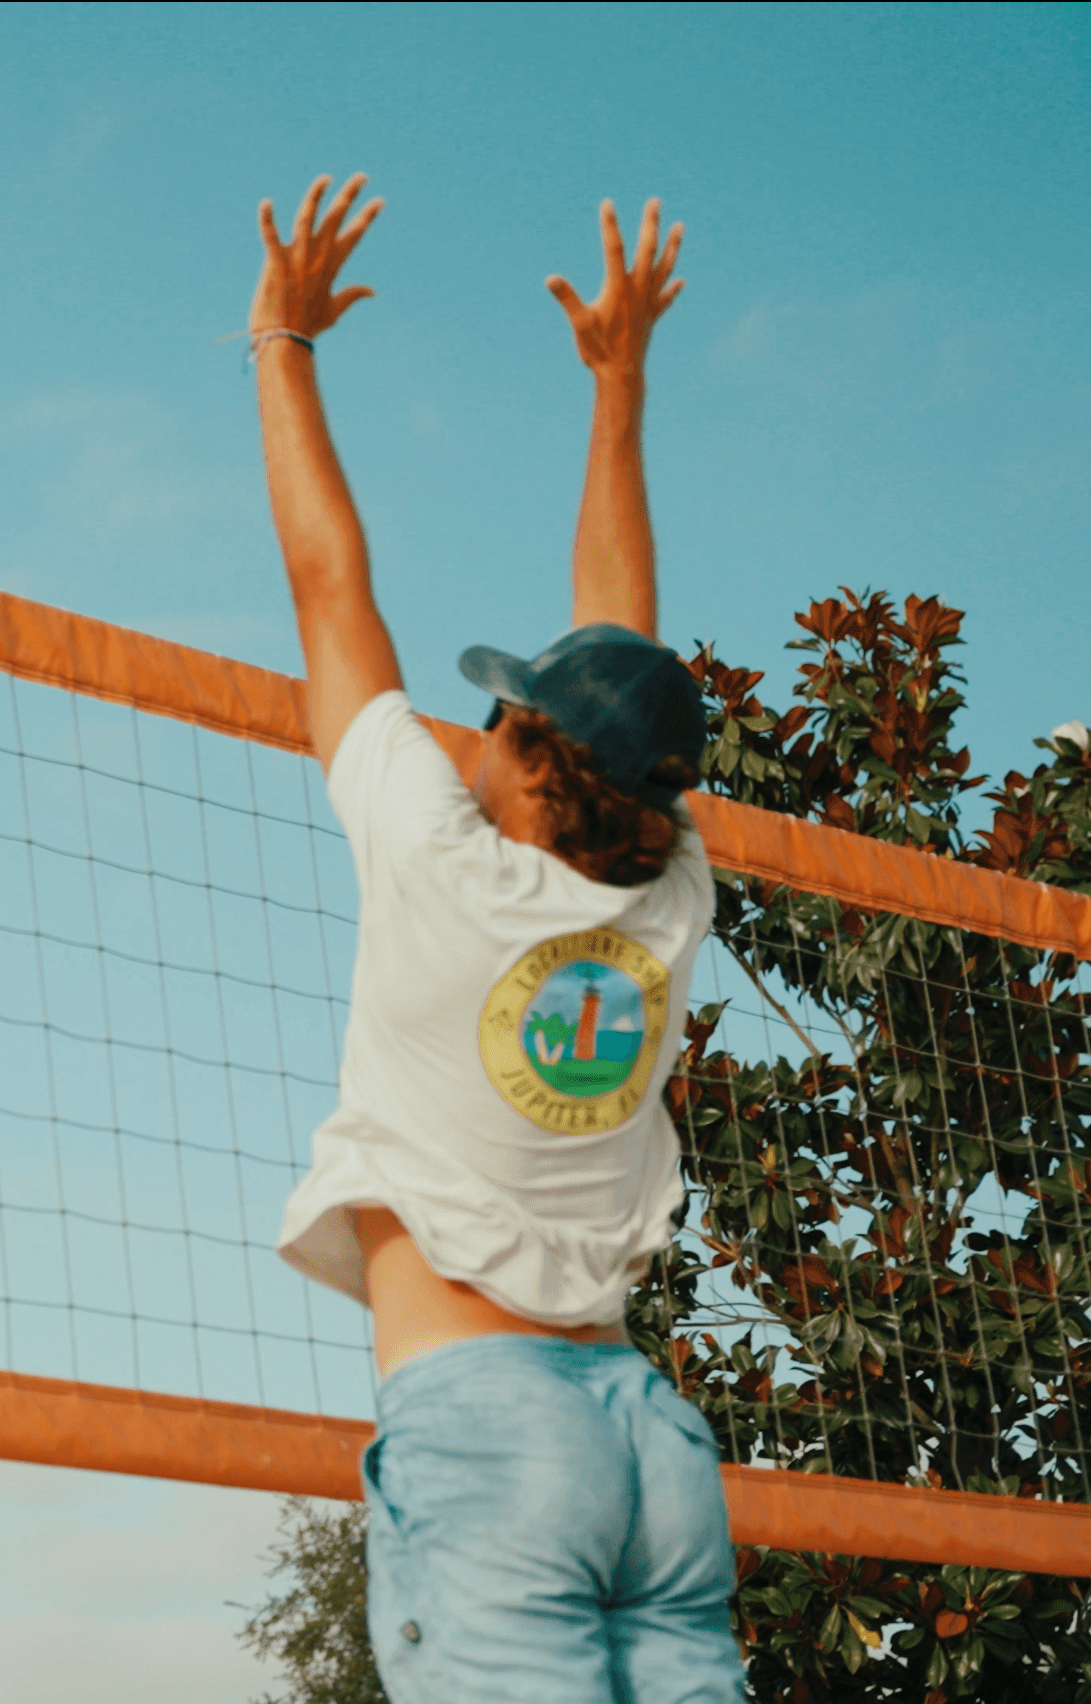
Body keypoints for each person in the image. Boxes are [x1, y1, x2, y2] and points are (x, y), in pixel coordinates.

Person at [248, 175, 741, 1701]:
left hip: (494, 1428)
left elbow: (333, 591)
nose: (477, 724)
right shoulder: (667, 896)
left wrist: (279, 343)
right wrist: (620, 387)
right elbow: (624, 649)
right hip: (647, 1449)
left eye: (503, 712)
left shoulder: (434, 855)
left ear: (531, 766)